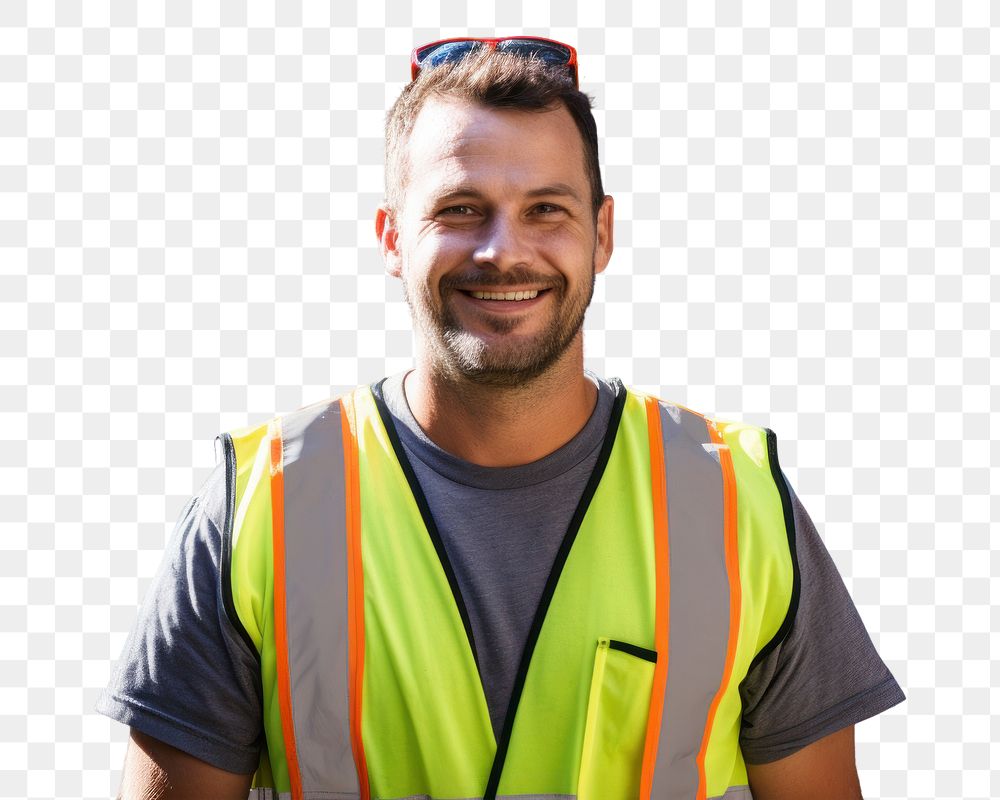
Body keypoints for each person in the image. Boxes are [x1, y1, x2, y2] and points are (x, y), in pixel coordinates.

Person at [98, 37, 905, 800]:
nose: (502, 251)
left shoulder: (740, 503)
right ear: (391, 237)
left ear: (603, 233)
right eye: (459, 208)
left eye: (547, 209)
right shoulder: (257, 509)